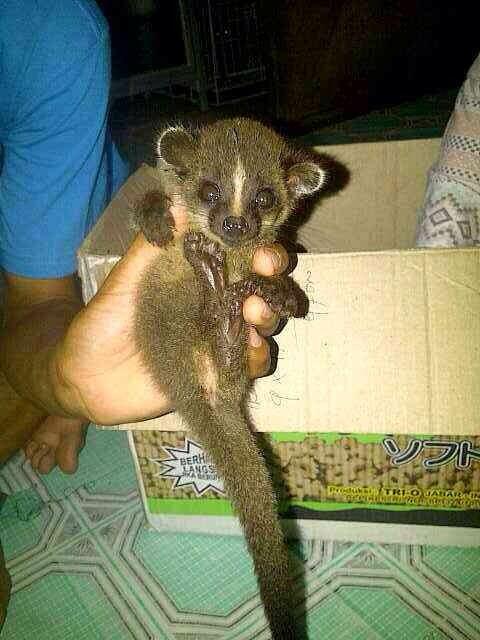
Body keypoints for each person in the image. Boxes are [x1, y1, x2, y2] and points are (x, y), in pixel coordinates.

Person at [0, 0, 288, 628]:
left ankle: (59, 392)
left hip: (53, 264)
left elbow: (35, 299)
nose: (235, 217)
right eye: (211, 196)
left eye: (261, 201)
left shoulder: (46, 33)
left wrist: (66, 381)